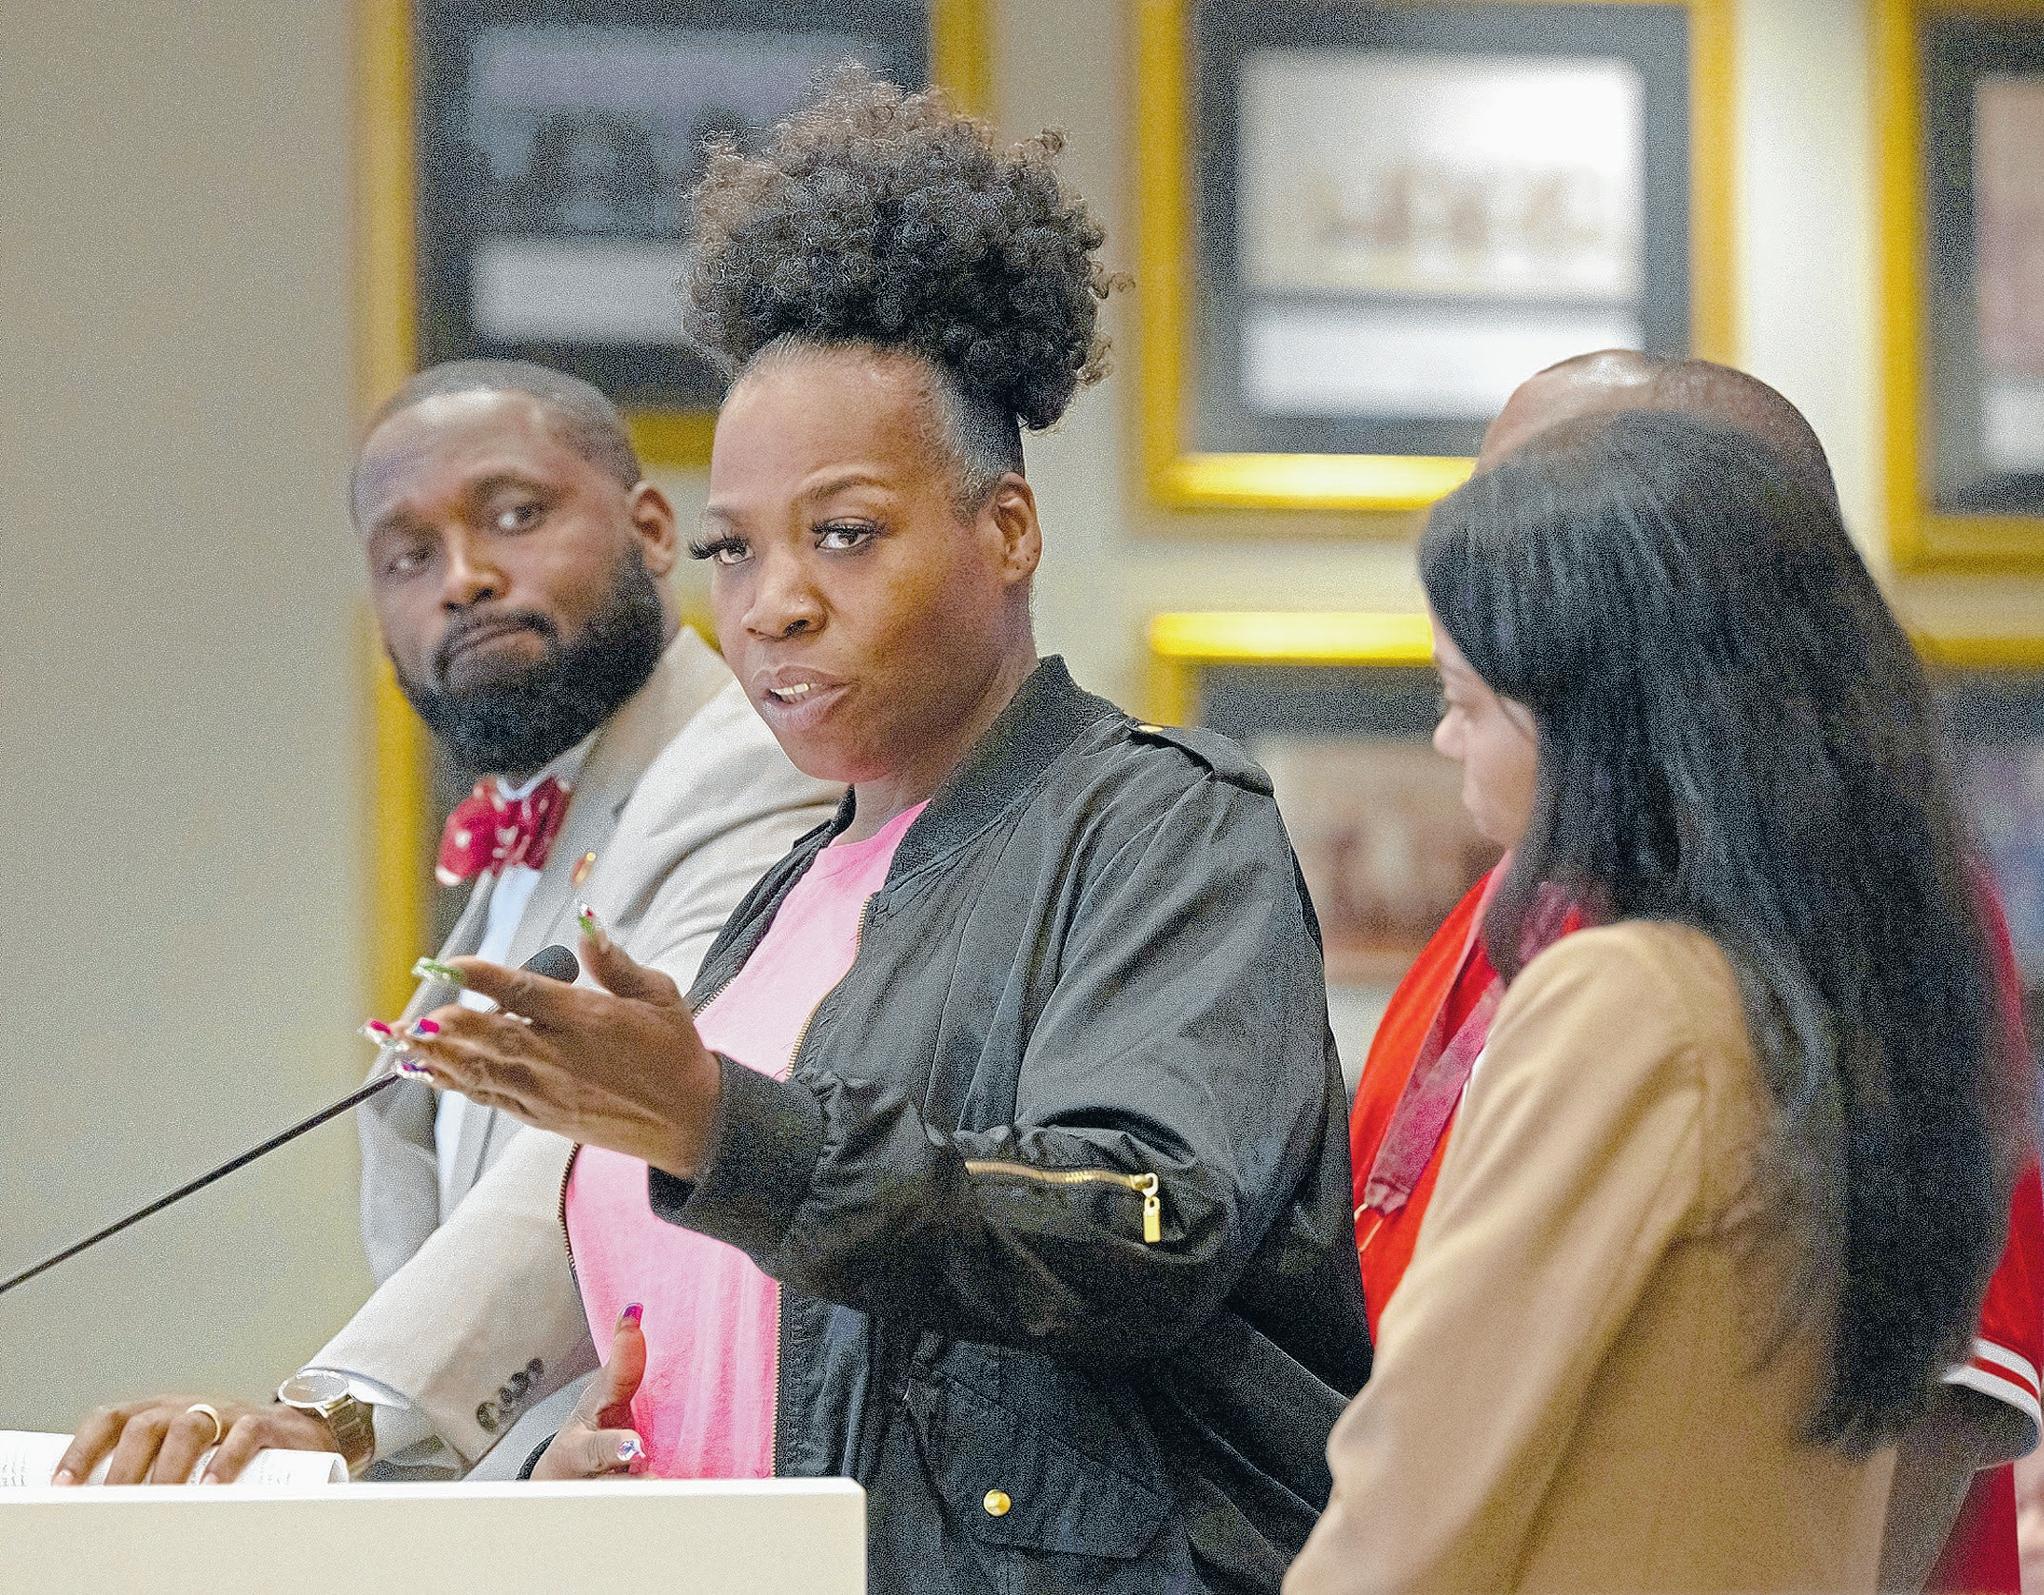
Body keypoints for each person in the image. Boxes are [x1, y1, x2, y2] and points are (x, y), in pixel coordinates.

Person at [391, 74, 1372, 1594]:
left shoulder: (1160, 822)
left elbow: (1149, 1224)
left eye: (843, 534)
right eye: (733, 549)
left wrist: (723, 1126)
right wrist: (565, 1473)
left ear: (1007, 531)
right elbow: (724, 1342)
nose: (773, 602)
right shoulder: (783, 899)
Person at [54, 360, 836, 1485]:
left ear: (653, 529)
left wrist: (340, 1414)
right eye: (407, 556)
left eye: (515, 515)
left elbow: (607, 1132)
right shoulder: (536, 825)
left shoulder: (750, 773)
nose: (463, 579)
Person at [1289, 408, 2027, 1593]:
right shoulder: (1850, 983)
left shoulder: (1630, 1002)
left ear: (1595, 720)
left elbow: (1419, 1487)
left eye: (1464, 699)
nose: (1444, 738)